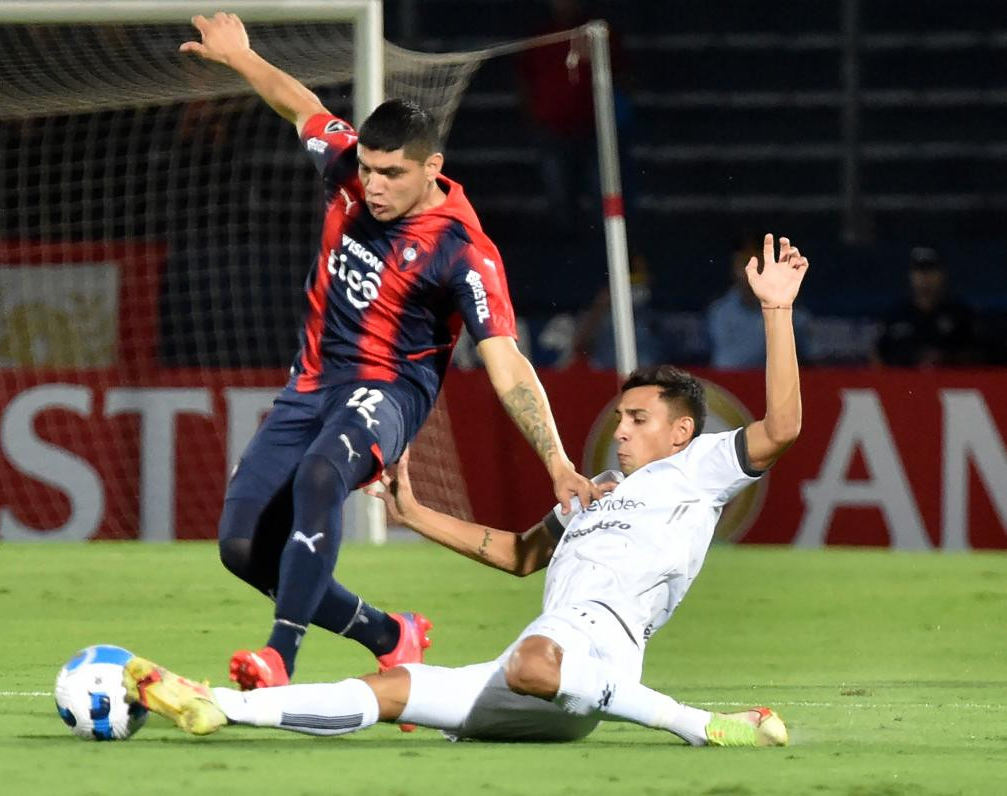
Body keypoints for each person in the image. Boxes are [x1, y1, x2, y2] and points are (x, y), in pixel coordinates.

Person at [123, 234, 809, 747]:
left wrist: (776, 311)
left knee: (534, 659)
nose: (622, 431)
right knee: (390, 691)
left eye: (639, 419)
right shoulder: (598, 489)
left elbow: (783, 426)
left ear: (682, 431)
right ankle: (217, 705)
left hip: (591, 654)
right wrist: (415, 512)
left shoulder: (701, 469)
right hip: (543, 672)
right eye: (621, 417)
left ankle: (706, 727)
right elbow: (517, 554)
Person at [178, 13, 604, 692]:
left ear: (432, 167)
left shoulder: (463, 252)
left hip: (389, 393)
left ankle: (278, 659)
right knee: (241, 548)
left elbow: (506, 360)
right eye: (369, 169)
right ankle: (388, 635)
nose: (373, 185)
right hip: (311, 384)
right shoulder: (348, 167)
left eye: (392, 174)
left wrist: (555, 458)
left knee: (321, 477)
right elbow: (302, 106)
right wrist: (241, 57)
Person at [706, 234, 812, 369]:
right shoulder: (718, 313)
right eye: (744, 263)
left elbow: (808, 365)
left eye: (759, 263)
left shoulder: (794, 316)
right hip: (728, 387)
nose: (751, 271)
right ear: (734, 267)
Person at [873, 246, 979, 367]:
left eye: (931, 271)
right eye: (919, 271)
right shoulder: (895, 314)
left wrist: (946, 357)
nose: (925, 278)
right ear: (910, 276)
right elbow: (877, 355)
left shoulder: (960, 313)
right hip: (903, 383)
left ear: (942, 275)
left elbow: (977, 355)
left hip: (951, 382)